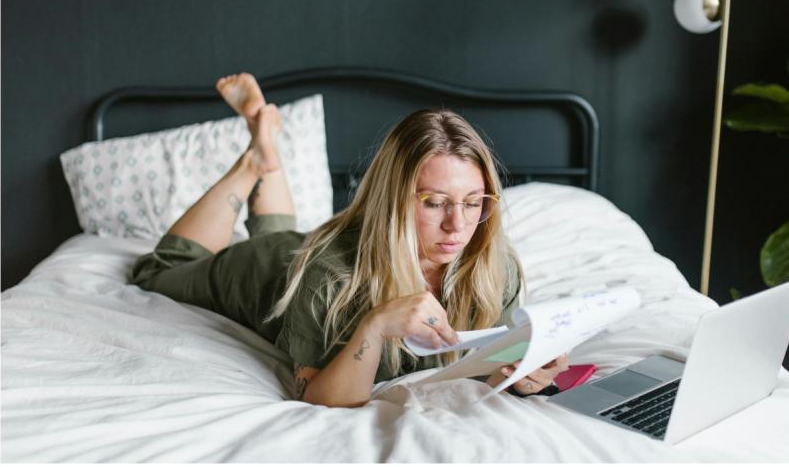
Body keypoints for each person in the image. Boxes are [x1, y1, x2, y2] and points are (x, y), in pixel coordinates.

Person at [130, 72, 569, 407]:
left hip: (301, 247)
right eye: (435, 203)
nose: (459, 225)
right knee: (159, 269)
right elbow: (317, 397)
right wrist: (375, 325)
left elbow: (483, 367)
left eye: (474, 202)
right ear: (392, 201)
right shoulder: (330, 274)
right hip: (267, 270)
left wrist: (522, 375)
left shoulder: (495, 264)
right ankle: (254, 163)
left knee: (283, 232)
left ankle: (268, 154)